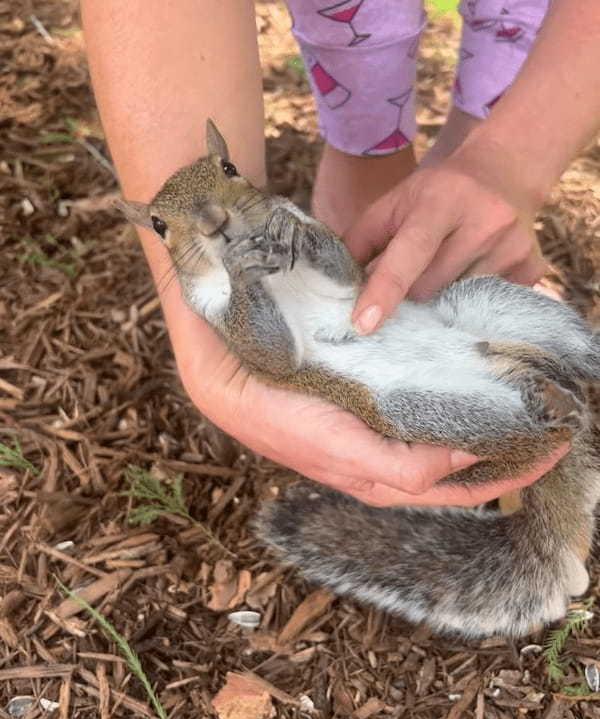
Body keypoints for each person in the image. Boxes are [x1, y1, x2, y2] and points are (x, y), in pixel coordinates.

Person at [80, 0, 600, 508]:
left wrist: (511, 160)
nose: (217, 219)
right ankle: (532, 442)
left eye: (228, 180)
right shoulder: (210, 293)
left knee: (493, 302)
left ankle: (577, 363)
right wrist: (235, 313)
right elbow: (277, 357)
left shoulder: (274, 217)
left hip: (416, 315)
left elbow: (340, 273)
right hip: (387, 377)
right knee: (440, 408)